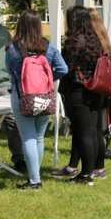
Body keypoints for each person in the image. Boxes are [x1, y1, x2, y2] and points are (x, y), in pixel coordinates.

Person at [6, 10, 67, 189]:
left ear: (20, 26)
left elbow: (9, 71)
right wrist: (47, 78)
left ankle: (34, 180)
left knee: (28, 137)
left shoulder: (13, 49)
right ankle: (35, 175)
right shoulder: (48, 47)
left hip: (22, 97)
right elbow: (63, 69)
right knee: (39, 137)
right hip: (45, 97)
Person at [60, 6, 107, 185]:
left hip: (79, 90)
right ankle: (92, 170)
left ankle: (86, 175)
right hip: (95, 90)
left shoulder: (74, 41)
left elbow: (66, 67)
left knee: (83, 133)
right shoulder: (94, 39)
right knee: (93, 132)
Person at [0, 0, 25, 174]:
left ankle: (19, 159)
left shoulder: (4, 32)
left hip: (4, 83)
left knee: (12, 121)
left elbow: (12, 55)